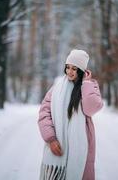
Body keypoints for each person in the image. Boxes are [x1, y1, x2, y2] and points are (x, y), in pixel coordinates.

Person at [38, 49, 103, 180]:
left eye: (74, 68)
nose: (69, 71)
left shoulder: (90, 85)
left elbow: (90, 109)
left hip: (81, 145)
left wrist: (86, 83)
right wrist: (51, 138)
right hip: (58, 145)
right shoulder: (57, 88)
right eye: (67, 67)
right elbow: (44, 113)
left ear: (81, 70)